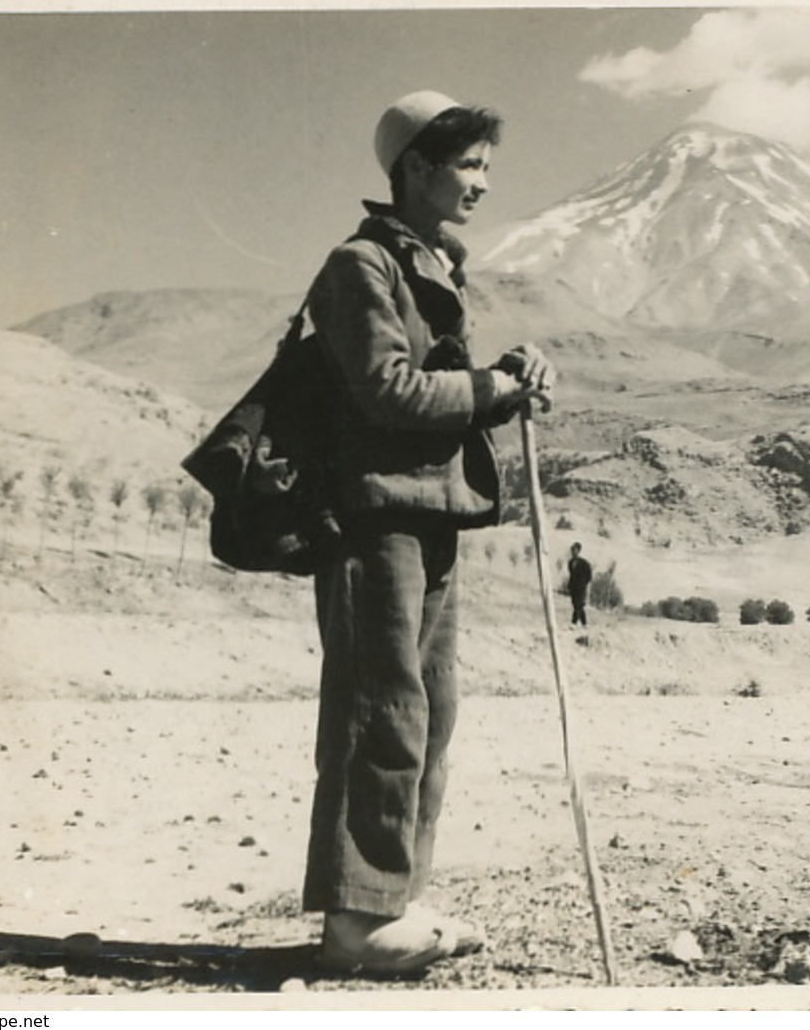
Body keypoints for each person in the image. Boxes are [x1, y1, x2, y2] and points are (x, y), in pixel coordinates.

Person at [301, 89, 555, 975]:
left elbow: (441, 385)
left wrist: (508, 374)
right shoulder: (359, 265)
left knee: (431, 711)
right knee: (384, 714)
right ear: (416, 168)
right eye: (468, 166)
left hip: (432, 512)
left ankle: (397, 896)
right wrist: (490, 390)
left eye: (486, 166)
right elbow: (389, 391)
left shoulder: (433, 264)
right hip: (374, 518)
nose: (483, 184)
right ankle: (353, 923)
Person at [566, 542, 593, 627]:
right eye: (572, 550)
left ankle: (573, 623)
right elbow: (571, 574)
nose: (573, 552)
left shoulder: (584, 563)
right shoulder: (570, 562)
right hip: (573, 587)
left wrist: (584, 584)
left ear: (578, 551)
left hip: (581, 587)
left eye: (575, 550)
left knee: (578, 604)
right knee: (576, 605)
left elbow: (589, 576)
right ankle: (584, 623)